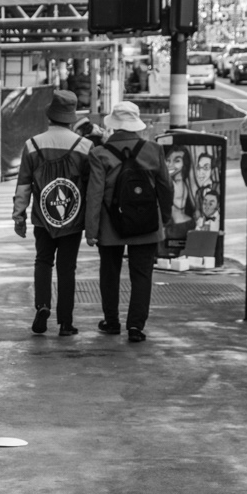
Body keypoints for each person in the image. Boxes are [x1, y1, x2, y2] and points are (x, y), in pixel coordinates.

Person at [84, 101, 171, 343]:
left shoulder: (99, 154)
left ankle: (111, 321)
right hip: (146, 225)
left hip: (110, 227)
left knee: (109, 273)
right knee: (142, 274)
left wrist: (91, 230)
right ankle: (136, 326)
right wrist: (164, 218)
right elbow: (166, 187)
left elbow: (95, 194)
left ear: (113, 125)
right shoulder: (154, 150)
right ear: (136, 125)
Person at [12, 90, 92, 336]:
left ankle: (43, 305)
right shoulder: (85, 146)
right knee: (67, 268)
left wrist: (19, 216)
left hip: (42, 218)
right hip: (73, 219)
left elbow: (24, 185)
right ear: (71, 118)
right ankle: (66, 322)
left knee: (43, 261)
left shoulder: (32, 144)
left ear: (50, 116)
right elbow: (91, 189)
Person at [163, 144, 198, 258]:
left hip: (176, 227)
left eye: (177, 161)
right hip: (183, 223)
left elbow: (177, 204)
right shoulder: (182, 183)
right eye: (168, 160)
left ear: (185, 163)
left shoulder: (174, 184)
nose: (171, 164)